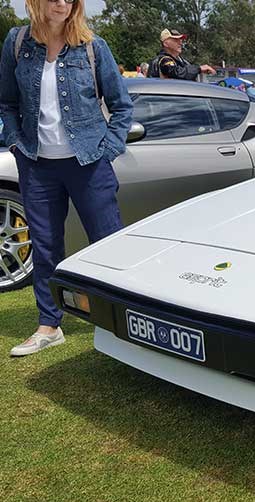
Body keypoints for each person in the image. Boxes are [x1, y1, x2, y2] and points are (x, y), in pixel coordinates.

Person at [0, 0, 133, 356]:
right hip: (37, 164)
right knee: (44, 247)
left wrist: (108, 149)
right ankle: (49, 324)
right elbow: (7, 104)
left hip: (89, 162)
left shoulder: (92, 46)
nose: (62, 3)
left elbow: (122, 106)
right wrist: (16, 143)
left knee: (107, 242)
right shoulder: (17, 44)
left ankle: (119, 320)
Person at [148, 29, 215, 80]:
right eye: (176, 40)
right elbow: (176, 73)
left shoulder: (181, 60)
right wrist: (199, 68)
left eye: (181, 40)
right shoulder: (163, 60)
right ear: (166, 43)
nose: (180, 43)